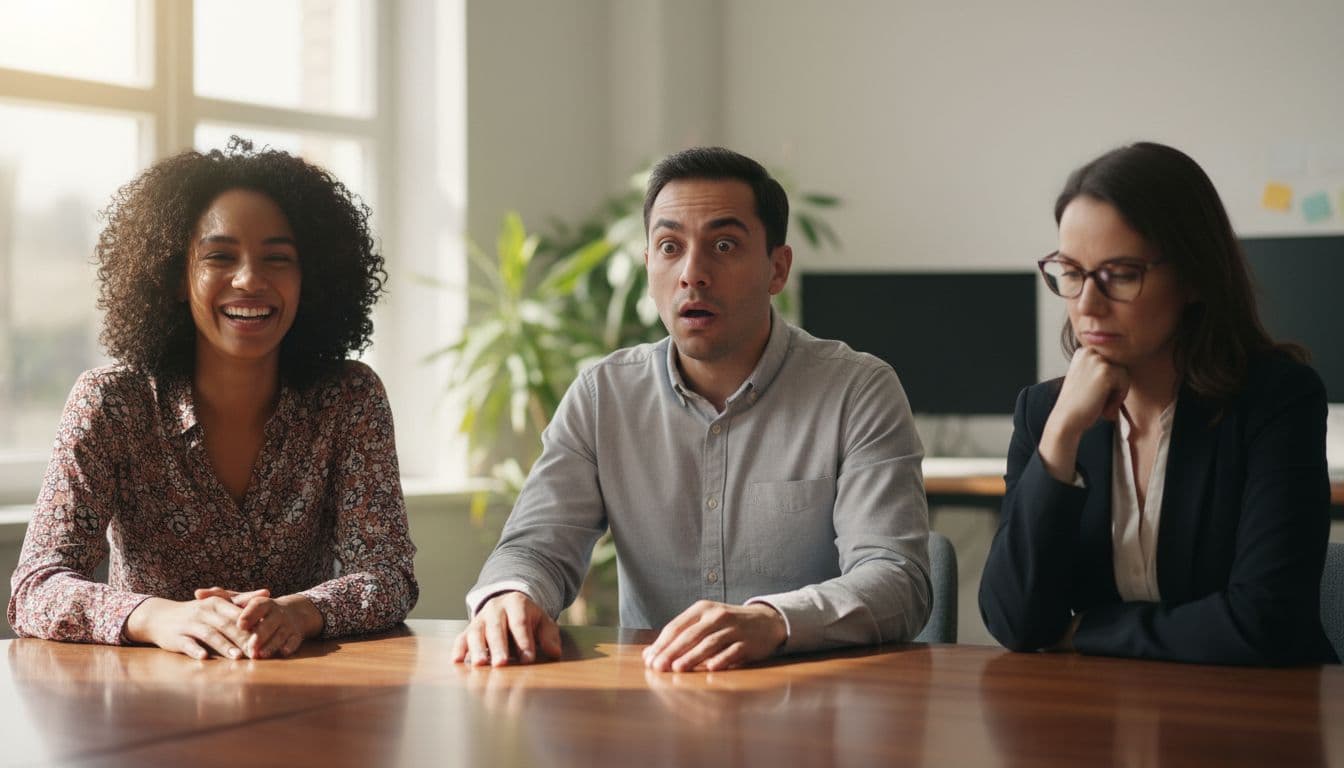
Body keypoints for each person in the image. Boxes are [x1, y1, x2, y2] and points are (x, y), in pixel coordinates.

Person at [452, 147, 930, 672]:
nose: (692, 273)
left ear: (778, 268)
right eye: (670, 247)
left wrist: (774, 621)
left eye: (724, 245)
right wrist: (509, 596)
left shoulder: (858, 391)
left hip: (809, 701)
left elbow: (896, 578)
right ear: (648, 264)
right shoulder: (602, 395)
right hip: (654, 701)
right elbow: (537, 547)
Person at [8, 137, 418, 660]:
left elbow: (388, 576)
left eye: (278, 258)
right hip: (147, 706)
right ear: (177, 276)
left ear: (308, 279)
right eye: (220, 256)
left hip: (306, 696)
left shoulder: (349, 399)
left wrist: (297, 612)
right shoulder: (113, 402)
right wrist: (158, 616)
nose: (249, 279)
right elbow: (34, 589)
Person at [978, 141, 1336, 665]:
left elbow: (1265, 620)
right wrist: (1059, 440)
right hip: (1098, 726)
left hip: (1254, 723)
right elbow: (1015, 621)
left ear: (1193, 277)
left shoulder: (1276, 400)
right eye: (1071, 273)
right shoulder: (1045, 412)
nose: (1086, 305)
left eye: (1120, 275)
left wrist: (1086, 630)